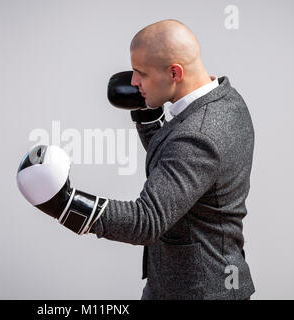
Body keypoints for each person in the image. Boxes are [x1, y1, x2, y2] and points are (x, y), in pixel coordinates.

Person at [17, 19, 255, 300]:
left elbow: (147, 220)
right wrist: (147, 113)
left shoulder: (200, 134)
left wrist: (66, 205)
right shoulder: (225, 99)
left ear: (175, 72)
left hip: (198, 291)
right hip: (189, 281)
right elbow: (176, 162)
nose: (133, 82)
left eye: (141, 73)